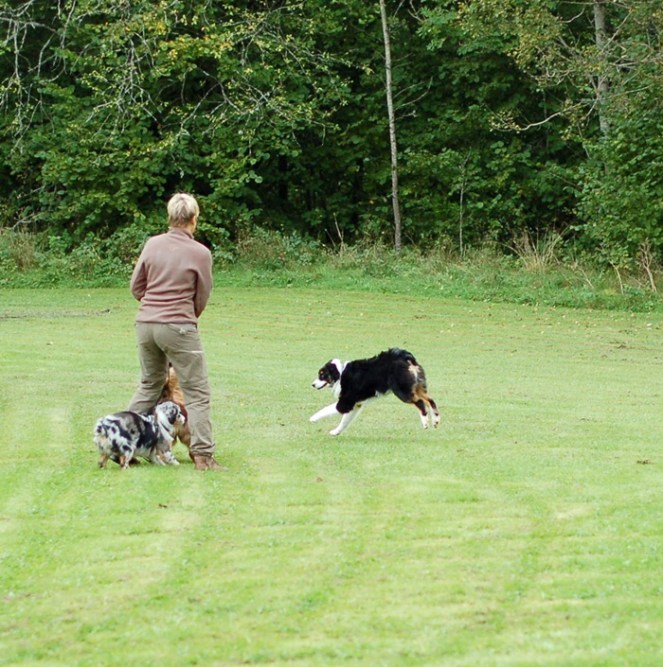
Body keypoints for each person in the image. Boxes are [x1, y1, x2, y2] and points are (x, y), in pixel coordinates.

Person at [127, 192, 222, 471]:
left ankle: (123, 442)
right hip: (179, 325)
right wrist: (185, 317)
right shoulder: (200, 253)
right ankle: (203, 455)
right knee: (197, 391)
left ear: (170, 217)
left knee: (150, 384)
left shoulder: (152, 244)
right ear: (194, 219)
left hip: (145, 324)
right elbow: (201, 296)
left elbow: (136, 287)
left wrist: (154, 306)